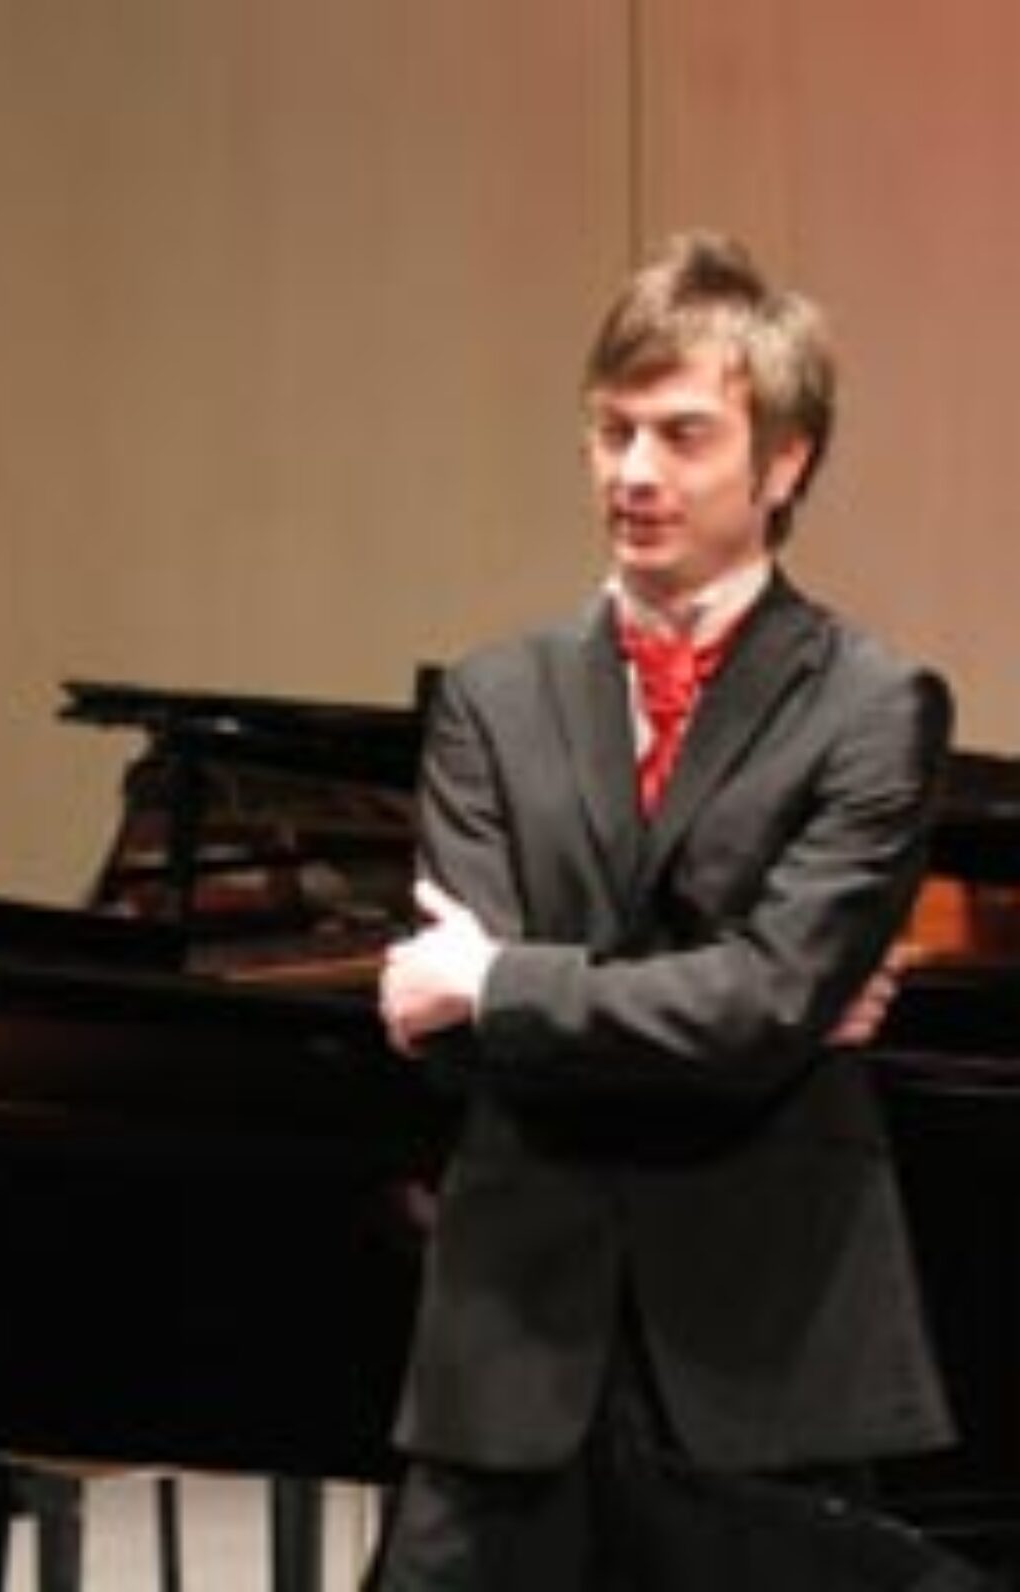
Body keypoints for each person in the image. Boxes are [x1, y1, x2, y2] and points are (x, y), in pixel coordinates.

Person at [367, 233, 984, 1590]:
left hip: (763, 1344)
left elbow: (758, 1009)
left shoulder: (874, 706)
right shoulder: (491, 698)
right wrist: (723, 1007)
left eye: (683, 435)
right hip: (509, 1346)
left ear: (785, 461)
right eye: (613, 431)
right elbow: (459, 1039)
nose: (634, 472)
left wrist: (505, 983)